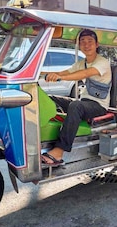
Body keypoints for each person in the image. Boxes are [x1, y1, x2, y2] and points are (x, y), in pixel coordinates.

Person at [41, 29, 112, 167]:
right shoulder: (81, 62)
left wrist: (60, 77)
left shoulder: (102, 62)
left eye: (90, 42)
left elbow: (84, 74)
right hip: (84, 103)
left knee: (76, 106)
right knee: (50, 98)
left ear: (97, 44)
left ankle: (59, 151)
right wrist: (37, 72)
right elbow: (63, 72)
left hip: (98, 106)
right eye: (83, 42)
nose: (86, 45)